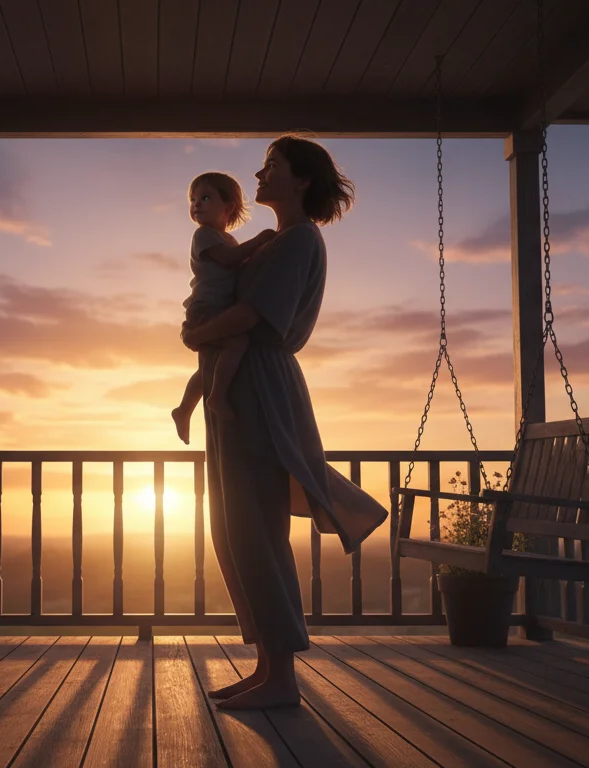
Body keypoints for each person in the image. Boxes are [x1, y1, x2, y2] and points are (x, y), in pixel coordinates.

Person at [182, 135, 389, 710]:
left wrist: (194, 335)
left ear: (300, 180)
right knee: (236, 527)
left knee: (255, 528)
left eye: (273, 166)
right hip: (240, 389)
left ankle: (282, 678)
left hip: (261, 391)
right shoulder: (274, 242)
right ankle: (269, 666)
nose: (261, 172)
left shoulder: (298, 241)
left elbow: (250, 316)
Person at [171, 172, 275, 444]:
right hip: (206, 308)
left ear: (228, 207)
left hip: (214, 308)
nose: (196, 204)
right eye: (193, 199)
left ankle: (183, 410)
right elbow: (230, 260)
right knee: (237, 342)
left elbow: (236, 265)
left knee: (209, 366)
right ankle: (217, 396)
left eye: (205, 197)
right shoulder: (204, 235)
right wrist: (258, 243)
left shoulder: (224, 239)